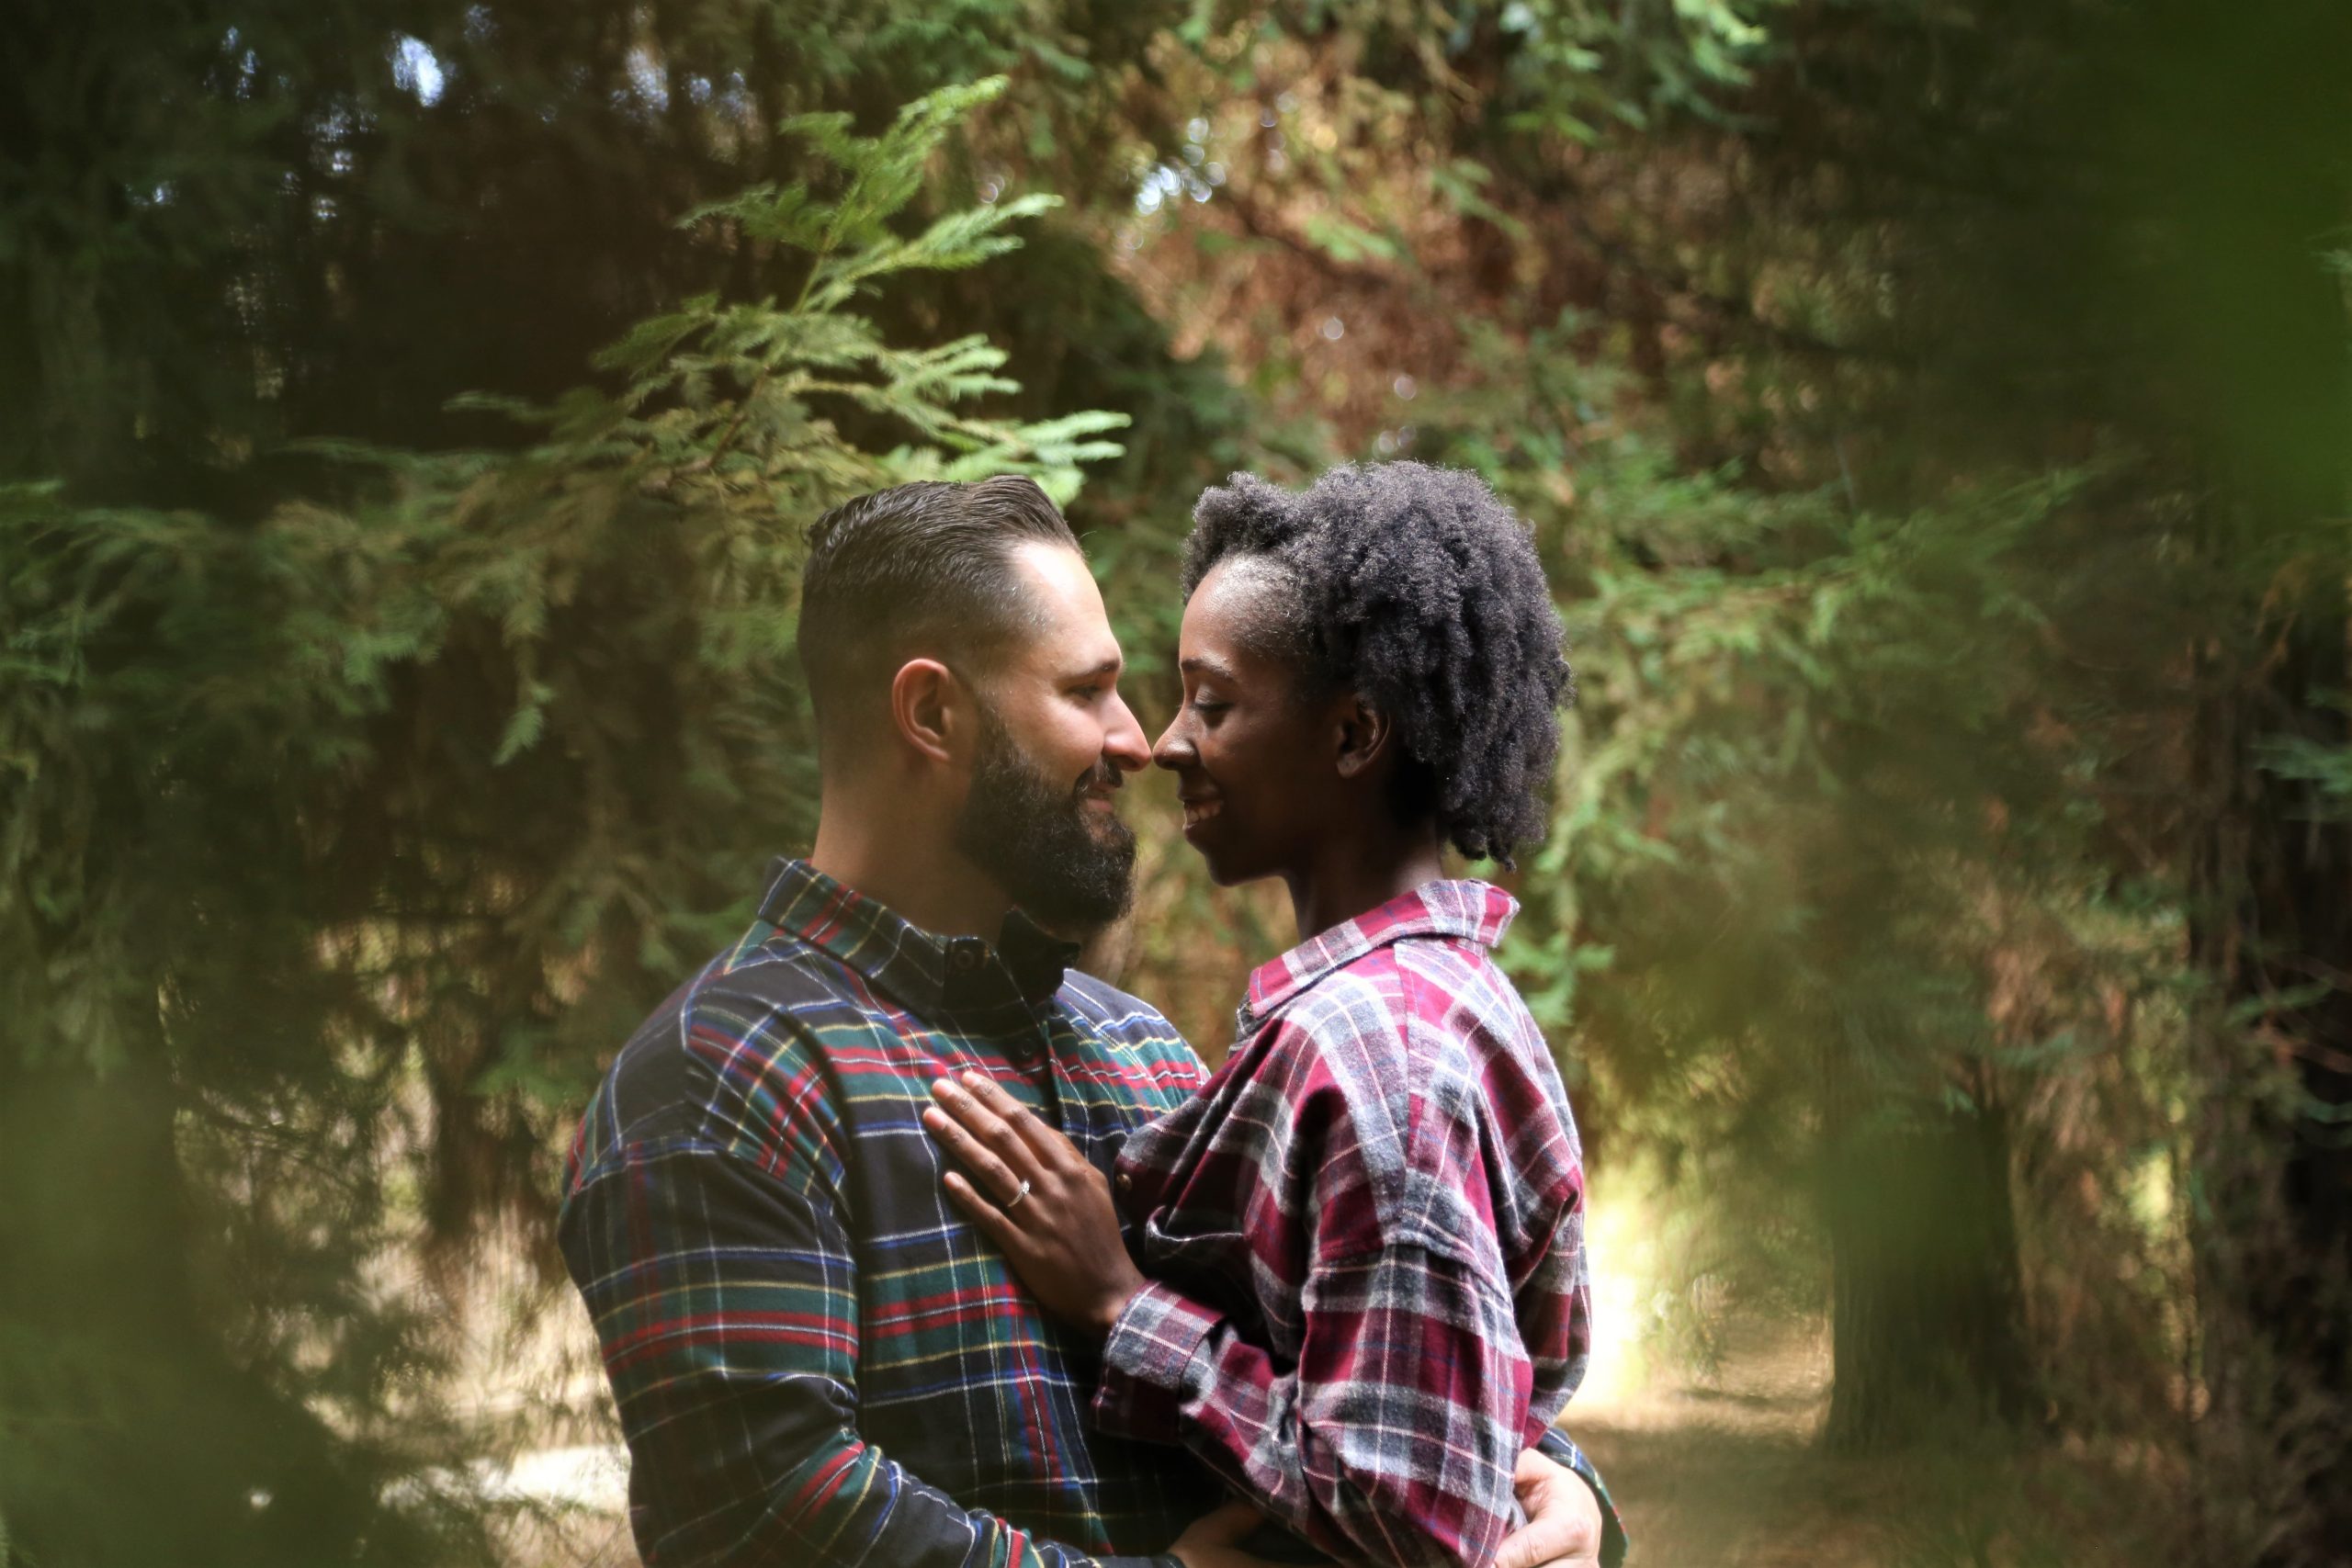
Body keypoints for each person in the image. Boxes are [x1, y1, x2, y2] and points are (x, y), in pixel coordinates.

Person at [556, 476, 1613, 1568]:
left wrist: (1560, 1499)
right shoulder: (721, 1077)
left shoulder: (1139, 1054)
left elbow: (1369, 1374)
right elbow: (766, 1519)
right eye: (1088, 691)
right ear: (931, 715)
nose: (1134, 741)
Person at [924, 464, 1624, 1568]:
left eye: (1213, 702)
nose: (1164, 742)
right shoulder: (1428, 1008)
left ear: (1353, 737)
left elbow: (1410, 1512)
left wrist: (1120, 1303)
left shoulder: (1377, 1053)